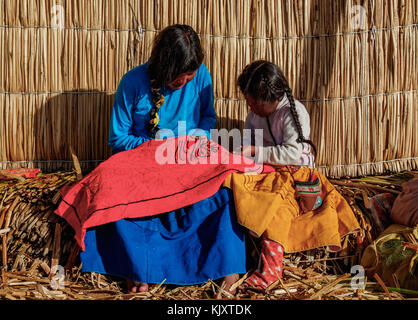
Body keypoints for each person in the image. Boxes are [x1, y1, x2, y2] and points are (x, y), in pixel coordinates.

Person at [79, 24, 246, 295]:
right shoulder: (132, 82)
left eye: (189, 78)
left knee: (225, 195)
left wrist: (193, 141)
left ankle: (227, 269)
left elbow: (208, 118)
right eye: (180, 79)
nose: (185, 83)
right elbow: (118, 139)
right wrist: (157, 148)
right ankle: (137, 271)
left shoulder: (201, 75)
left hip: (188, 159)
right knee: (112, 197)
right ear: (164, 67)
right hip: (142, 164)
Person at [237, 60, 316, 166]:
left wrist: (256, 151)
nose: (251, 108)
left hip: (296, 172)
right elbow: (247, 143)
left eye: (255, 103)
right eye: (249, 103)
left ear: (275, 99)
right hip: (266, 170)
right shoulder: (253, 115)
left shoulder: (292, 113)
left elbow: (292, 153)